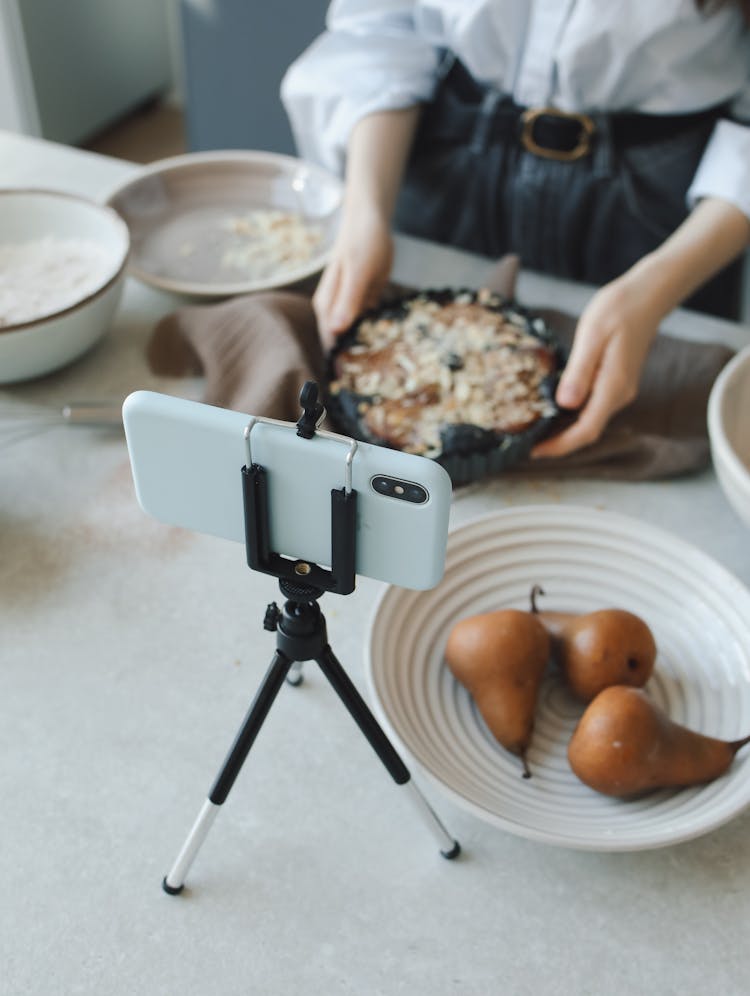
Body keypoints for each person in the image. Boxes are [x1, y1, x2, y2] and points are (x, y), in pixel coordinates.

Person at [281, 1, 750, 458]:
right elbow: (384, 25)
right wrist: (365, 213)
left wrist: (658, 287)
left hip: (669, 201)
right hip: (441, 150)